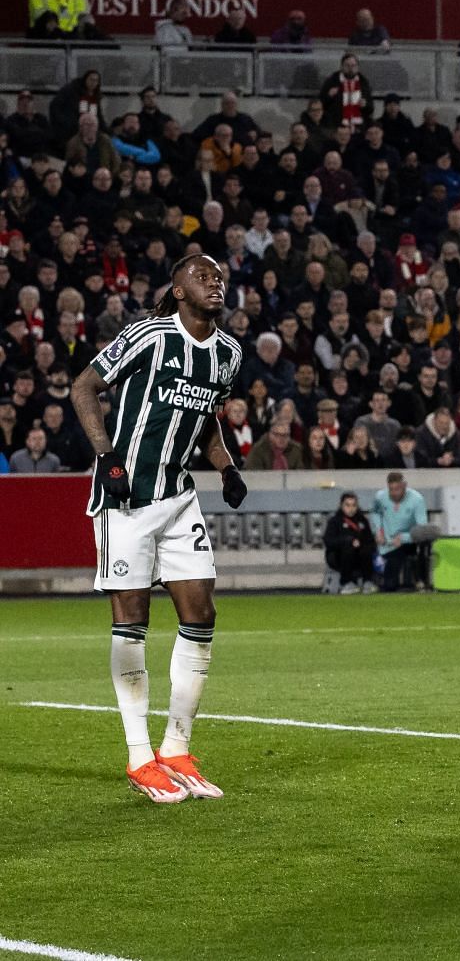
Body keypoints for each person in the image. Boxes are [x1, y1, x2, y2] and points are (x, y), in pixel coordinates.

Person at [70, 253, 248, 804]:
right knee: (133, 620)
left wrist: (225, 466)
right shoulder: (148, 335)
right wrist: (107, 457)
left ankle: (176, 747)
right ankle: (139, 756)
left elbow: (208, 418)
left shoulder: (228, 353)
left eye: (219, 277)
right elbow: (82, 388)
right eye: (202, 276)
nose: (214, 283)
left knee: (201, 614)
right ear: (176, 289)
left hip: (177, 497)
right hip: (125, 499)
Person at [370, 471, 431, 591]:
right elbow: (375, 513)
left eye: (397, 489)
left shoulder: (417, 499)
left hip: (408, 542)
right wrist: (378, 530)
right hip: (385, 542)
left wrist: (404, 538)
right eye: (391, 489)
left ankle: (419, 581)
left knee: (391, 578)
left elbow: (421, 527)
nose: (394, 493)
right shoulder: (380, 497)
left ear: (404, 486)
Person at [324, 492, 376, 594]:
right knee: (348, 547)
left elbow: (370, 540)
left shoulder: (362, 521)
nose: (351, 508)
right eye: (347, 505)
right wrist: (347, 540)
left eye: (353, 505)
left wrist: (361, 543)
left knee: (366, 549)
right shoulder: (335, 521)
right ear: (341, 505)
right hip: (337, 557)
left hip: (359, 556)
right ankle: (346, 582)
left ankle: (367, 582)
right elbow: (329, 542)